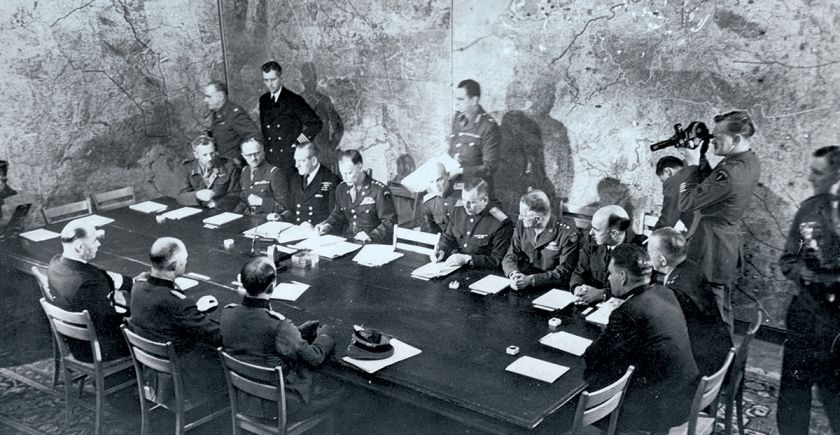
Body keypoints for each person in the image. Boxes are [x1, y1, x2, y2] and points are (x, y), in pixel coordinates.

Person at [583, 244, 699, 432]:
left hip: (660, 409)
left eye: (611, 273)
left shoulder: (627, 312)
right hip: (686, 394)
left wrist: (606, 336)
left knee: (585, 398)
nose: (608, 278)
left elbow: (593, 357)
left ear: (623, 277)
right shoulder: (666, 292)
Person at [220, 257, 342, 418]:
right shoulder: (278, 324)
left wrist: (297, 332)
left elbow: (258, 338)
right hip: (279, 405)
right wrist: (326, 334)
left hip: (244, 399)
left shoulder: (228, 312)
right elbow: (315, 357)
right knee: (343, 391)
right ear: (272, 287)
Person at [776, 146, 840, 435]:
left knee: (834, 395)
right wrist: (808, 273)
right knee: (793, 390)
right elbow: (788, 258)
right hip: (805, 312)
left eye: (818, 173)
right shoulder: (808, 208)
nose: (810, 178)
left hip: (836, 321)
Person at [128, 237, 225, 399]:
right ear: (174, 265)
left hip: (151, 366)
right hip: (181, 375)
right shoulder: (176, 302)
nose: (186, 263)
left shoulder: (138, 285)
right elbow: (216, 335)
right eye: (184, 260)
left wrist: (193, 313)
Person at [648, 227, 732, 376]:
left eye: (649, 253)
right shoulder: (692, 267)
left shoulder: (675, 290)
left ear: (662, 260)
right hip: (719, 352)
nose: (648, 258)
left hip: (702, 366)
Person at [48, 219, 133, 362]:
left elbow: (97, 274)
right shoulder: (91, 282)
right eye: (94, 241)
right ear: (80, 247)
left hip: (75, 341)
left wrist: (126, 282)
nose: (98, 244)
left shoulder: (55, 263)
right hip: (96, 349)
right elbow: (109, 322)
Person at [502, 189, 580, 291]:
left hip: (551, 288)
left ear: (538, 219)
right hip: (522, 284)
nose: (520, 218)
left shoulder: (567, 234)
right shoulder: (522, 224)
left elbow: (564, 273)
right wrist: (514, 274)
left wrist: (531, 280)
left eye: (524, 215)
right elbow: (511, 255)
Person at [316, 149, 397, 243]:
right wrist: (327, 225)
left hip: (372, 244)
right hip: (349, 242)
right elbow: (337, 214)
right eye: (342, 173)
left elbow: (389, 222)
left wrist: (371, 236)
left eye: (349, 173)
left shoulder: (379, 190)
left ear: (360, 167)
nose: (345, 177)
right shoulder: (341, 188)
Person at [431, 177, 513, 270]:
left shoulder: (500, 222)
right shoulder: (458, 209)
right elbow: (448, 237)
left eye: (471, 202)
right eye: (464, 199)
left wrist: (468, 259)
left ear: (485, 200)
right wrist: (441, 250)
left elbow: (497, 260)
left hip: (483, 273)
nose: (466, 206)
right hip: (457, 268)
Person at [569, 205, 646, 304]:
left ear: (613, 233)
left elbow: (637, 288)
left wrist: (603, 294)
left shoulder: (639, 250)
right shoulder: (592, 243)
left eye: (596, 230)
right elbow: (579, 272)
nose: (591, 233)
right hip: (590, 302)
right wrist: (577, 287)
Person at [258, 61, 323, 175]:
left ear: (281, 77)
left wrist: (298, 143)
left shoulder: (294, 100)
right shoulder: (263, 101)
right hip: (270, 160)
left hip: (289, 160)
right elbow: (266, 131)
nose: (270, 84)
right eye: (266, 80)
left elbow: (316, 124)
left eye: (273, 80)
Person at [447, 79, 500, 195]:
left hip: (477, 192)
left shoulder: (488, 126)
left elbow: (489, 167)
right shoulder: (458, 118)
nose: (455, 103)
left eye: (460, 99)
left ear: (474, 100)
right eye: (455, 99)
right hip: (455, 188)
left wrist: (460, 171)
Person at [281, 141, 340, 226]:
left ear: (314, 161)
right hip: (298, 231)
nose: (296, 165)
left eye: (301, 161)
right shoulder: (295, 179)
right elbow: (292, 209)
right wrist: (281, 217)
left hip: (319, 234)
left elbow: (336, 216)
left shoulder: (331, 180)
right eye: (296, 160)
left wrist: (323, 227)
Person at [203, 81, 261, 165]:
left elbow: (254, 136)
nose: (205, 100)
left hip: (235, 167)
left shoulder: (234, 114)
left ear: (220, 97)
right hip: (223, 165)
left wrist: (238, 158)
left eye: (209, 97)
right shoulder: (215, 113)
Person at [176, 135, 240, 210]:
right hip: (197, 212)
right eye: (205, 155)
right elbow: (180, 198)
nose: (210, 158)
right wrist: (197, 195)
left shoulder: (228, 166)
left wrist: (217, 203)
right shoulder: (187, 168)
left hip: (221, 210)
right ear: (196, 155)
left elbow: (236, 194)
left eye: (212, 153)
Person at [235, 138, 291, 217]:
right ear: (243, 155)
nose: (253, 158)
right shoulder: (245, 171)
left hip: (268, 220)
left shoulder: (274, 172)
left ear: (263, 151)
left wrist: (262, 202)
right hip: (248, 218)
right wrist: (233, 214)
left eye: (257, 153)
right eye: (249, 155)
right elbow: (243, 200)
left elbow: (285, 207)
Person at [653, 156, 694, 230]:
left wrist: (654, 237)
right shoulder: (693, 171)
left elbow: (668, 219)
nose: (665, 184)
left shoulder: (675, 181)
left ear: (668, 171)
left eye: (663, 181)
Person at [420, 162, 459, 234]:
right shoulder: (429, 203)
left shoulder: (462, 196)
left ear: (448, 176)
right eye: (432, 182)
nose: (436, 185)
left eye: (439, 180)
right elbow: (428, 233)